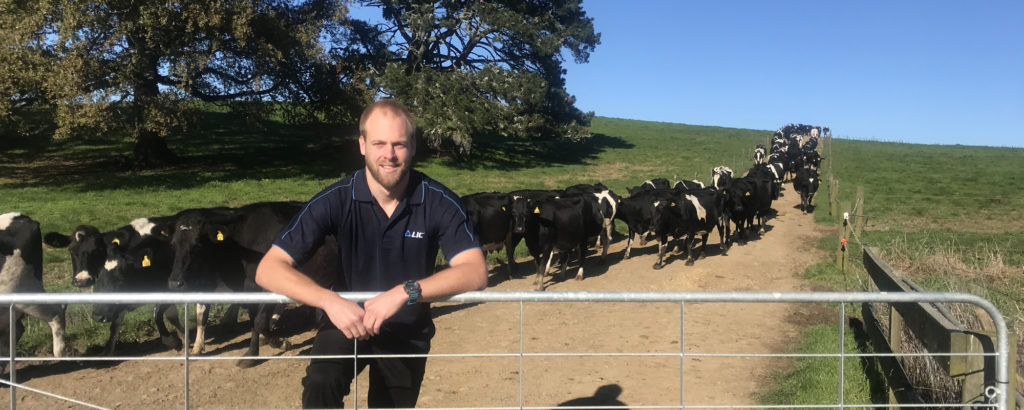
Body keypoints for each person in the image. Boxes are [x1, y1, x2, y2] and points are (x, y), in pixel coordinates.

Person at [255, 100, 488, 408]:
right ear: (362, 145)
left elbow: (475, 271)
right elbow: (268, 269)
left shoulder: (439, 201)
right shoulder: (337, 197)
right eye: (379, 143)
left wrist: (406, 292)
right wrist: (328, 300)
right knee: (320, 384)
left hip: (406, 328)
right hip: (346, 319)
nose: (389, 155)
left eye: (399, 144)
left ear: (413, 146)